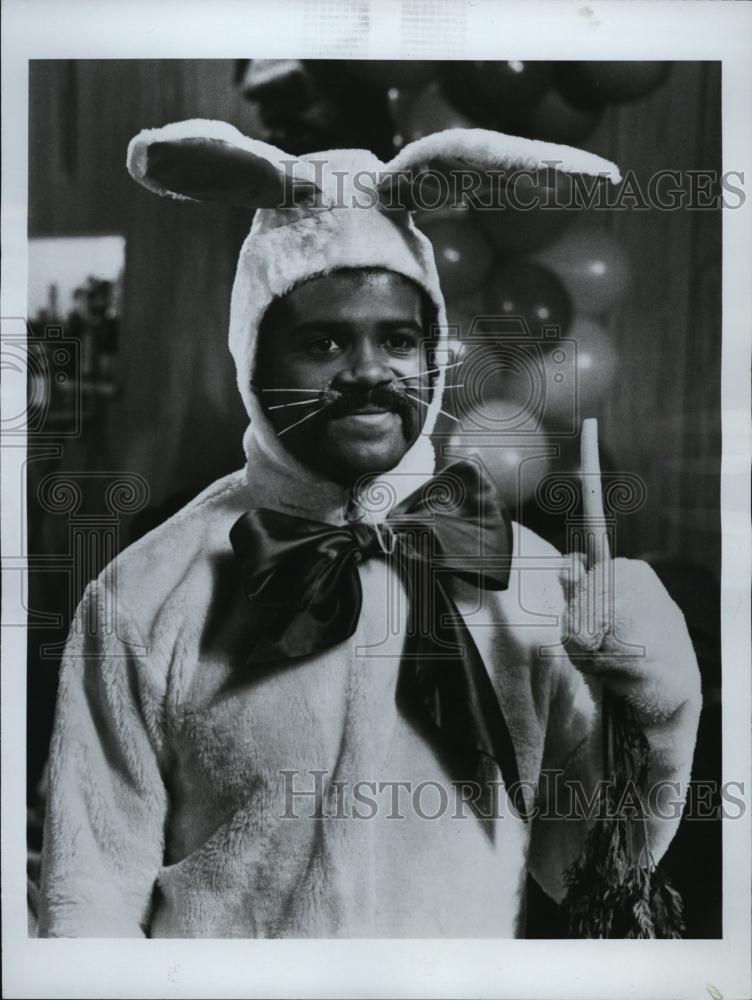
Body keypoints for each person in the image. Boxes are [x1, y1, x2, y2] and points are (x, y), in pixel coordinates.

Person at [38, 119, 702, 938]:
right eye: (322, 341)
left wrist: (659, 707)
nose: (367, 373)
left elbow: (592, 868)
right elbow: (90, 895)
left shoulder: (531, 587)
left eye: (397, 339)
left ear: (432, 353)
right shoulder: (141, 593)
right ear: (255, 365)